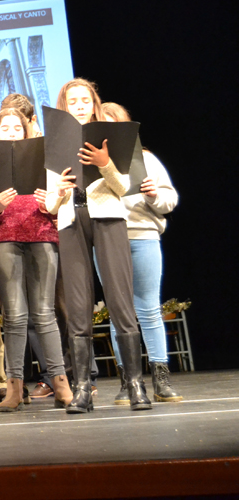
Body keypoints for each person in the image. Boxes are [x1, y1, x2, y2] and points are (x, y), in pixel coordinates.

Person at [46, 78, 150, 412]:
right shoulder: (57, 141)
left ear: (94, 103)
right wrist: (59, 190)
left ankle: (135, 384)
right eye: (72, 100)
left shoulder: (109, 135)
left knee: (120, 299)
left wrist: (105, 163)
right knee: (78, 306)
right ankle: (81, 389)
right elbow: (49, 205)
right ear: (64, 106)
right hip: (71, 221)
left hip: (108, 218)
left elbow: (123, 187)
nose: (79, 105)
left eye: (84, 100)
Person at [0, 111, 72, 411]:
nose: (11, 132)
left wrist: (52, 200)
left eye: (17, 128)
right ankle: (15, 388)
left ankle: (61, 383)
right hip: (4, 238)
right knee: (15, 316)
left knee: (44, 314)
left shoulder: (43, 160)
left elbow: (55, 205)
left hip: (41, 235)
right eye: (5, 128)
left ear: (25, 131)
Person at [101, 102, 182, 403]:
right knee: (118, 312)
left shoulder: (145, 158)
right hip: (108, 240)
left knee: (148, 308)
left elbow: (169, 200)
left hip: (143, 235)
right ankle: (128, 381)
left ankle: (161, 379)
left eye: (115, 124)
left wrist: (153, 195)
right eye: (103, 124)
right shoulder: (91, 163)